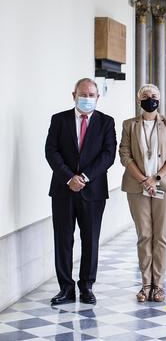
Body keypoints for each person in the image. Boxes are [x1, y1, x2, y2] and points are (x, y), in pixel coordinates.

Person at [44, 78, 116, 305]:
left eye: (91, 95)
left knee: (90, 240)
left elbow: (108, 155)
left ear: (98, 97)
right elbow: (51, 151)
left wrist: (84, 177)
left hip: (93, 190)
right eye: (82, 94)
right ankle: (65, 288)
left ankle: (86, 287)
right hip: (63, 190)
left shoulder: (106, 122)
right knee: (63, 240)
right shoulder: (59, 120)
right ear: (73, 94)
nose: (86, 98)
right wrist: (69, 177)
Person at [119, 84, 166, 302]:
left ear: (160, 99)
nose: (150, 99)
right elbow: (125, 154)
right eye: (145, 96)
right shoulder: (129, 124)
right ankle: (146, 284)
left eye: (154, 96)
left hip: (165, 186)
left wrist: (156, 178)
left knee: (162, 237)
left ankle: (159, 285)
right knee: (144, 235)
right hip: (138, 187)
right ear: (139, 100)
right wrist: (144, 180)